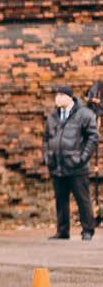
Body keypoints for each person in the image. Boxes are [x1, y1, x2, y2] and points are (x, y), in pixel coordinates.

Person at [43, 84, 97, 241]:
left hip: (76, 166)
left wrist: (82, 158)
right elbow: (46, 139)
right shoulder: (53, 116)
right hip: (57, 165)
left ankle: (88, 230)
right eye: (56, 95)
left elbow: (93, 137)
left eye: (61, 95)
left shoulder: (84, 114)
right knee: (61, 200)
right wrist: (48, 157)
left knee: (83, 199)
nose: (57, 99)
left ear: (69, 97)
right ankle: (62, 230)